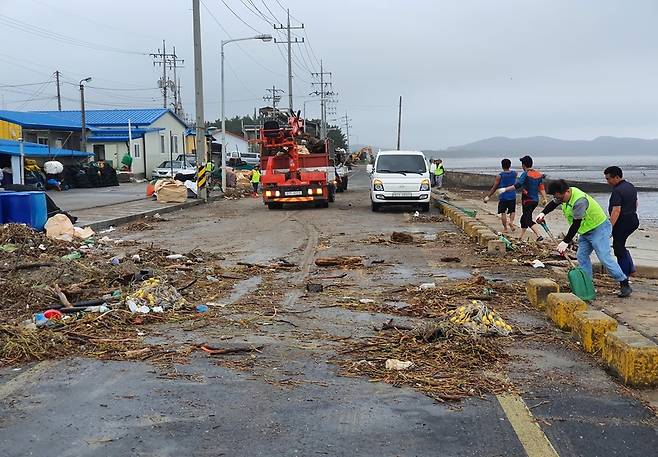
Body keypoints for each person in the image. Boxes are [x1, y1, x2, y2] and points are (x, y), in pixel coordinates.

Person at [536, 179, 631, 298]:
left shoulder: (579, 201)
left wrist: (565, 242)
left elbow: (576, 224)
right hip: (585, 231)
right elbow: (554, 203)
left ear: (566, 192)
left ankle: (624, 283)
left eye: (559, 197)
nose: (558, 199)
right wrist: (543, 213)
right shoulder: (564, 195)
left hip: (599, 229)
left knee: (604, 258)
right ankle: (588, 284)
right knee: (582, 256)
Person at [497, 155, 547, 241]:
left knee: (527, 218)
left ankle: (538, 235)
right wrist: (544, 198)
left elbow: (518, 185)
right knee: (524, 218)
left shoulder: (526, 174)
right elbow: (541, 188)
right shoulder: (538, 174)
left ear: (523, 165)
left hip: (527, 201)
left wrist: (505, 189)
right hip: (535, 201)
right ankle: (521, 236)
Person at [604, 166, 639, 277]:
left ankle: (623, 275)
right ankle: (631, 270)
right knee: (620, 246)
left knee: (618, 248)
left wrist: (610, 227)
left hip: (622, 223)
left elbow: (616, 210)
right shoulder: (630, 186)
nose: (607, 181)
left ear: (617, 177)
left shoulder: (617, 191)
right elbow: (636, 203)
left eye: (608, 179)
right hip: (633, 220)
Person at [484, 159, 517, 233]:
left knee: (503, 212)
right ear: (510, 165)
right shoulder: (514, 173)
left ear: (502, 166)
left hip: (503, 196)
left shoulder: (500, 176)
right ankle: (511, 222)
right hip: (512, 195)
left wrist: (488, 196)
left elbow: (494, 187)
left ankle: (505, 228)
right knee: (512, 211)